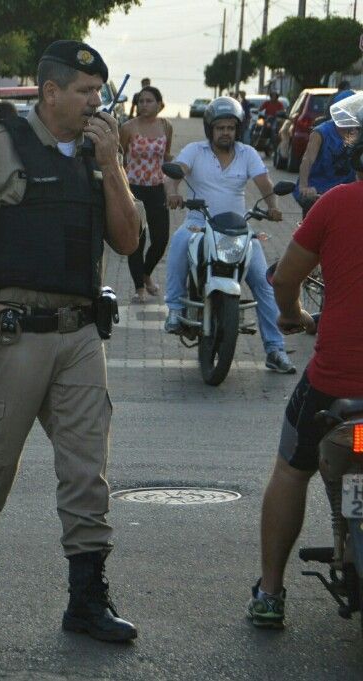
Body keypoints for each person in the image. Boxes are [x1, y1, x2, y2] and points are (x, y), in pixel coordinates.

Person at [0, 40, 141, 642]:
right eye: (86, 92)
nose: (98, 102)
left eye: (100, 92)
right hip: (17, 333)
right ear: (50, 92)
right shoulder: (0, 144)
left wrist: (114, 165)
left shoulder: (100, 154)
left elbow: (127, 240)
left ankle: (87, 599)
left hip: (80, 333)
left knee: (87, 469)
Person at [248, 135, 363, 630]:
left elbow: (284, 281)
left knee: (293, 470)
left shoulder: (336, 204)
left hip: (336, 379)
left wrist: (294, 316)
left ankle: (271, 593)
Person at [163, 96, 296, 374]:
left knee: (264, 281)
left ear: (238, 129)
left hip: (239, 229)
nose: (226, 133)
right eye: (220, 127)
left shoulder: (248, 153)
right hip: (199, 224)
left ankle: (275, 349)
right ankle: (175, 309)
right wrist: (173, 193)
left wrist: (273, 206)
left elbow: (264, 182)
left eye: (231, 128)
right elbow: (174, 175)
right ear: (210, 129)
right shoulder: (194, 151)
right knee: (177, 244)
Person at [120, 86, 172, 303]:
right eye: (141, 101)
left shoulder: (166, 126)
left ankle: (146, 273)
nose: (144, 105)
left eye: (149, 101)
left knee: (161, 239)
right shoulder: (128, 127)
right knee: (137, 240)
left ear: (160, 104)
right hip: (134, 189)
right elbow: (120, 157)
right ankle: (139, 287)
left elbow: (166, 155)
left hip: (157, 187)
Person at [293, 90, 359, 217]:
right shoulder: (321, 132)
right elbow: (308, 160)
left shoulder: (356, 133)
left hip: (345, 193)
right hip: (319, 192)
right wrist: (304, 186)